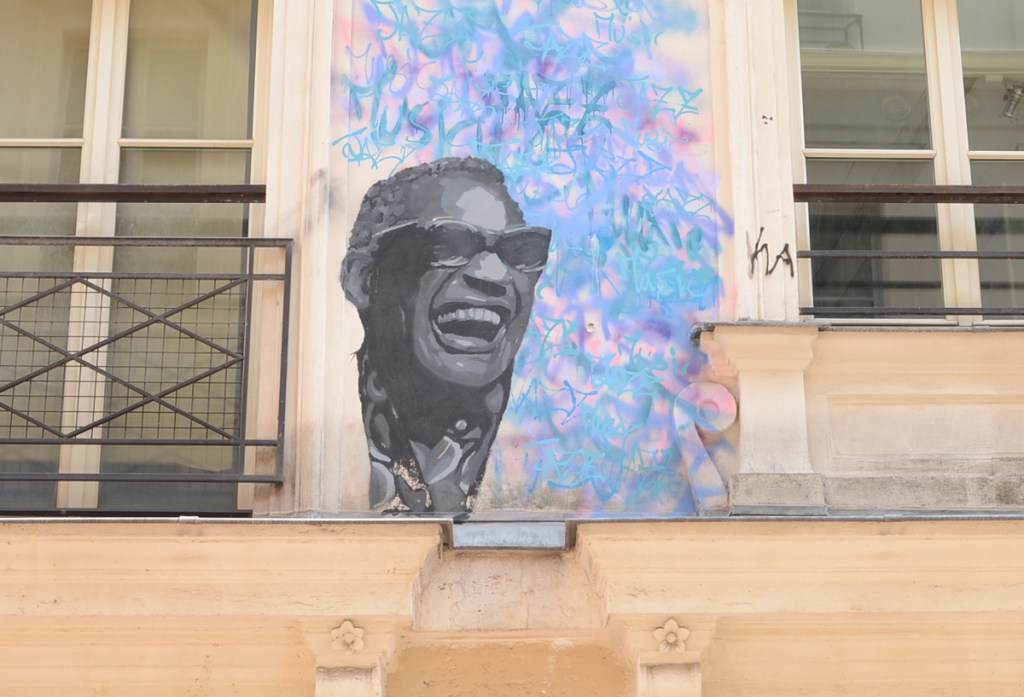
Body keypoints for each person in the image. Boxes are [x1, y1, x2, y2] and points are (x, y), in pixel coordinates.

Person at [341, 157, 551, 513]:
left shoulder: (545, 453)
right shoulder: (347, 453)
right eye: (448, 244)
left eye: (521, 250)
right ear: (362, 280)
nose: (494, 274)